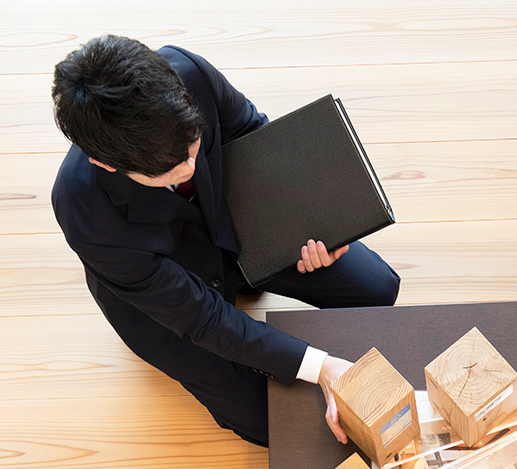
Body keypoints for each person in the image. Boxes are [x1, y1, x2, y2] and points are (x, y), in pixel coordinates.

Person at [50, 35, 401, 447]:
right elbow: (204, 318)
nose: (189, 165)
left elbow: (254, 135)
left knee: (379, 288)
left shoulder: (188, 71)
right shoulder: (82, 207)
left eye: (193, 144)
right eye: (169, 169)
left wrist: (313, 220)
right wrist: (321, 366)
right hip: (166, 301)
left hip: (233, 223)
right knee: (270, 421)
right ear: (105, 163)